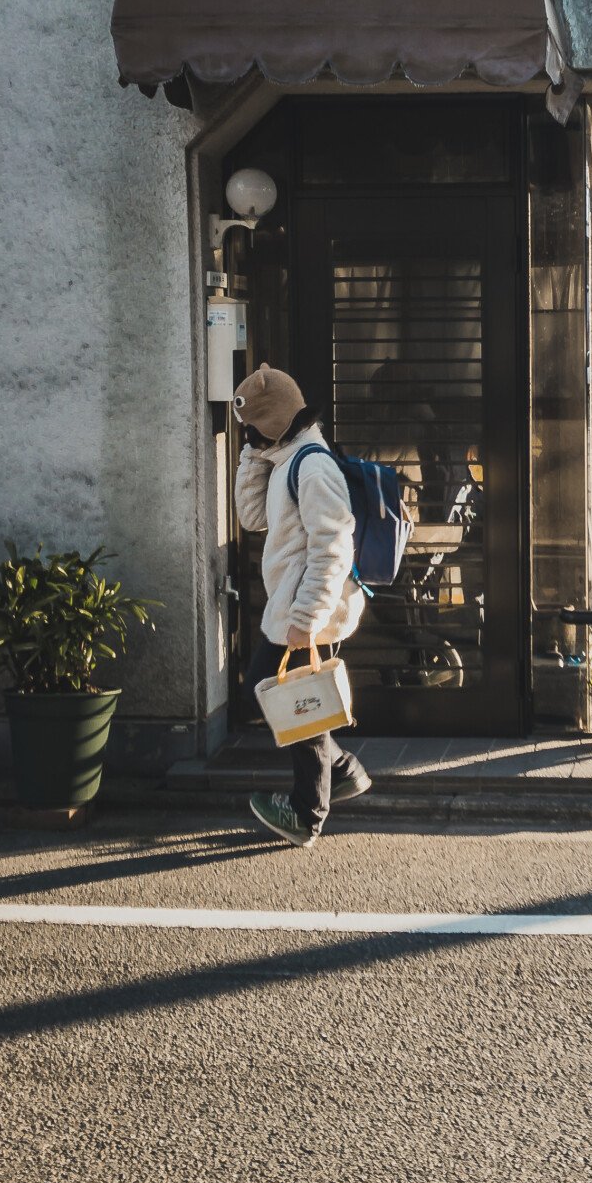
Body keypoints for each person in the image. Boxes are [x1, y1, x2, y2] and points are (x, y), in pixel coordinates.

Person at [233, 362, 371, 847]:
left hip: (311, 609)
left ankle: (307, 813)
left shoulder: (312, 467)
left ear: (272, 424)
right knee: (272, 692)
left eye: (252, 428)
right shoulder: (286, 461)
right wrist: (253, 456)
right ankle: (343, 770)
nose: (248, 435)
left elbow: (334, 547)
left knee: (302, 705)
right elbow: (251, 518)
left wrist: (306, 621)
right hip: (294, 605)